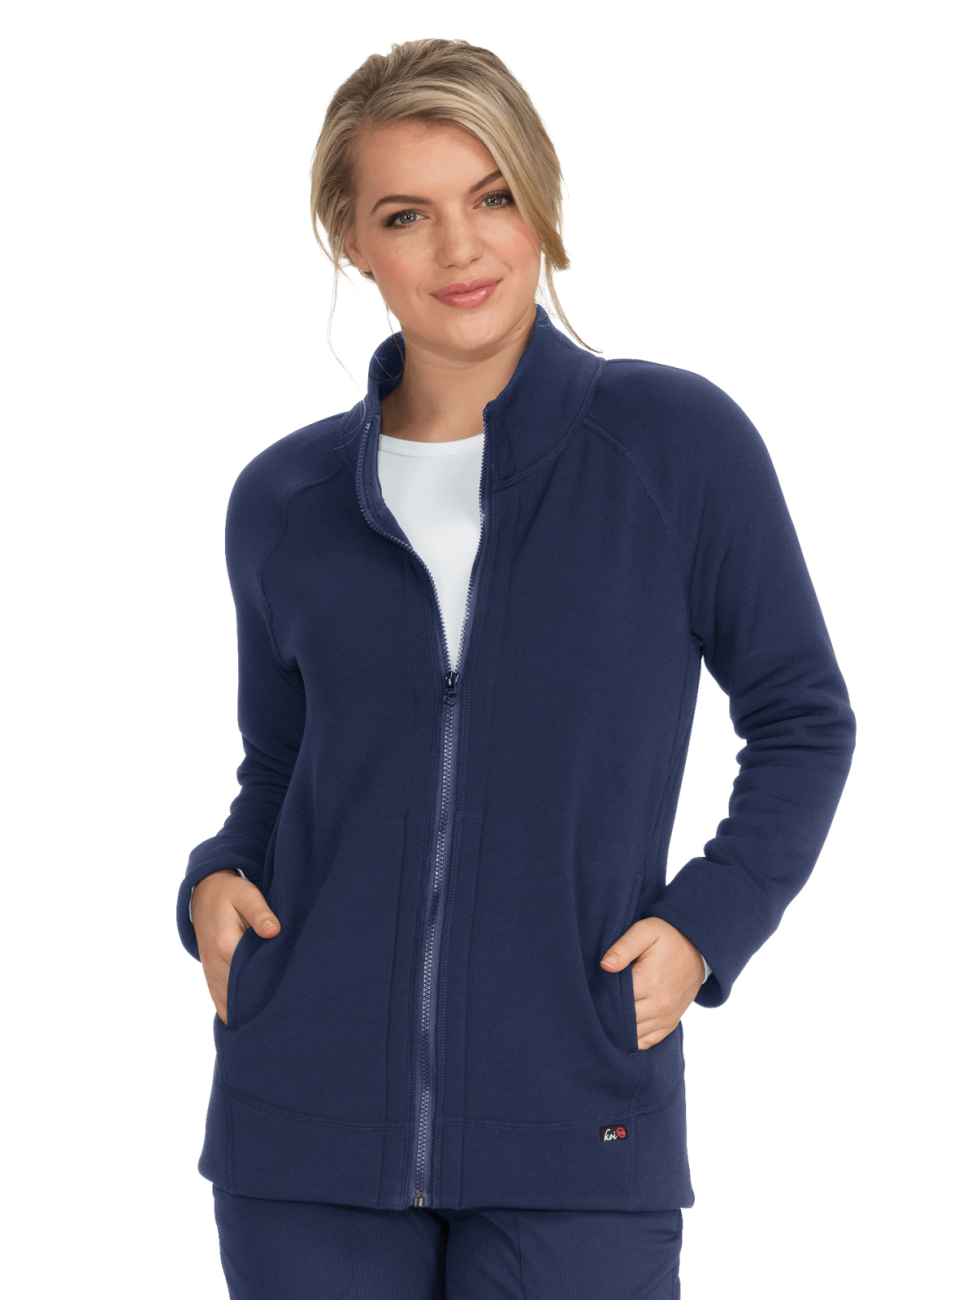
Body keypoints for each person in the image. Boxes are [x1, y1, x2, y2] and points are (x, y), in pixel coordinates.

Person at [177, 38, 856, 1300]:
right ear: (351, 240)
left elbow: (802, 716)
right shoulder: (284, 500)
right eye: (405, 214)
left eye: (491, 196)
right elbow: (281, 762)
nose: (461, 247)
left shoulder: (672, 446)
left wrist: (707, 925)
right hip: (301, 1127)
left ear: (538, 201)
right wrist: (218, 878)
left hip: (576, 1114)